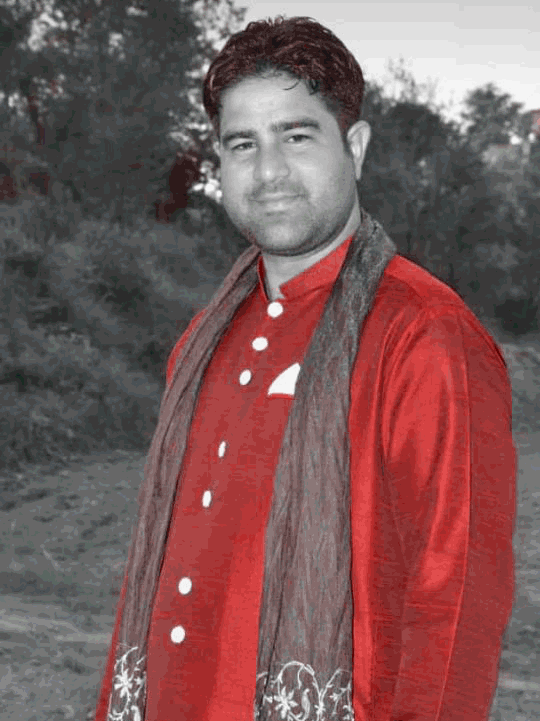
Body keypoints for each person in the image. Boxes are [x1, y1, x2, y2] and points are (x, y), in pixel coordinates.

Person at [94, 16, 516, 721]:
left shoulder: (424, 335)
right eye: (243, 144)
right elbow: (157, 575)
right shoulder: (203, 338)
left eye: (296, 136)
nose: (268, 172)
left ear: (356, 146)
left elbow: (457, 602)